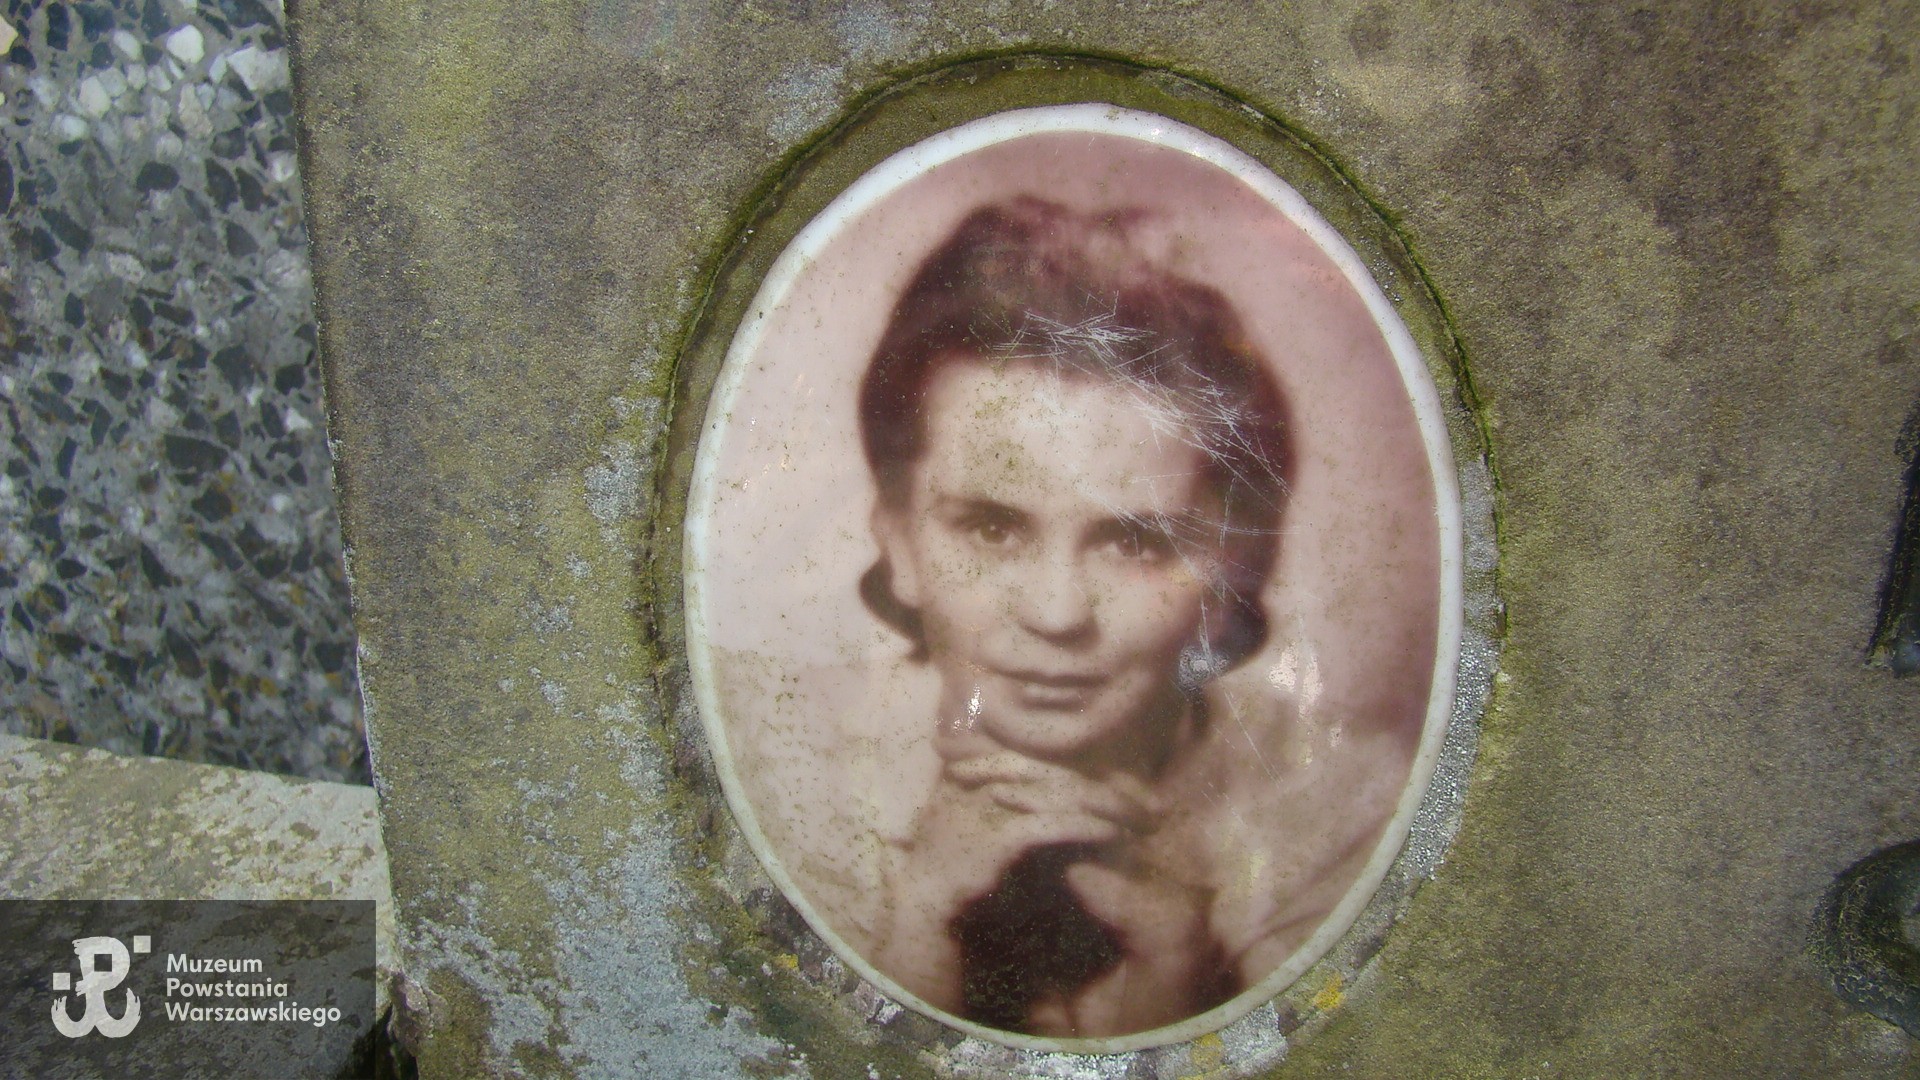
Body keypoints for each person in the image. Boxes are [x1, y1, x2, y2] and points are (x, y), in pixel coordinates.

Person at [849, 196, 1296, 1038]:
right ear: (900, 542)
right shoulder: (779, 790)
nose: (1056, 615)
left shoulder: (1340, 821)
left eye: (1134, 542)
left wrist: (1182, 1006)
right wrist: (911, 941)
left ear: (1226, 570)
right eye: (992, 527)